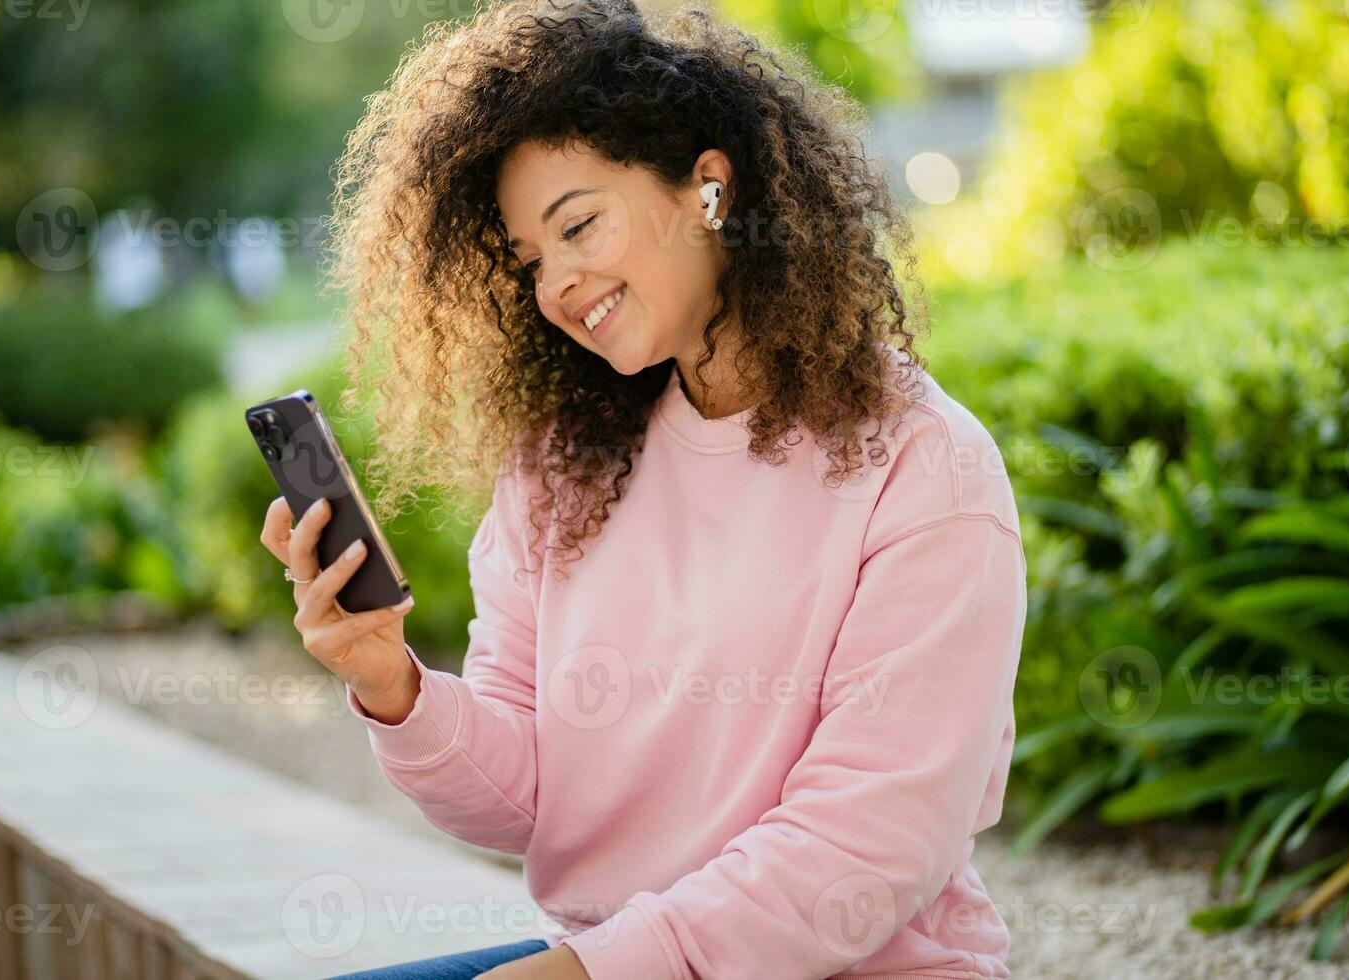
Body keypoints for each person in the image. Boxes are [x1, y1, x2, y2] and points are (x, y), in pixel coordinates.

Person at [258, 1, 1027, 977]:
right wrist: (394, 684)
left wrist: (594, 969)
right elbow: (527, 796)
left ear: (709, 190)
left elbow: (870, 841)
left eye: (578, 224)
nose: (557, 285)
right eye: (531, 261)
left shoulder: (925, 465)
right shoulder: (564, 466)